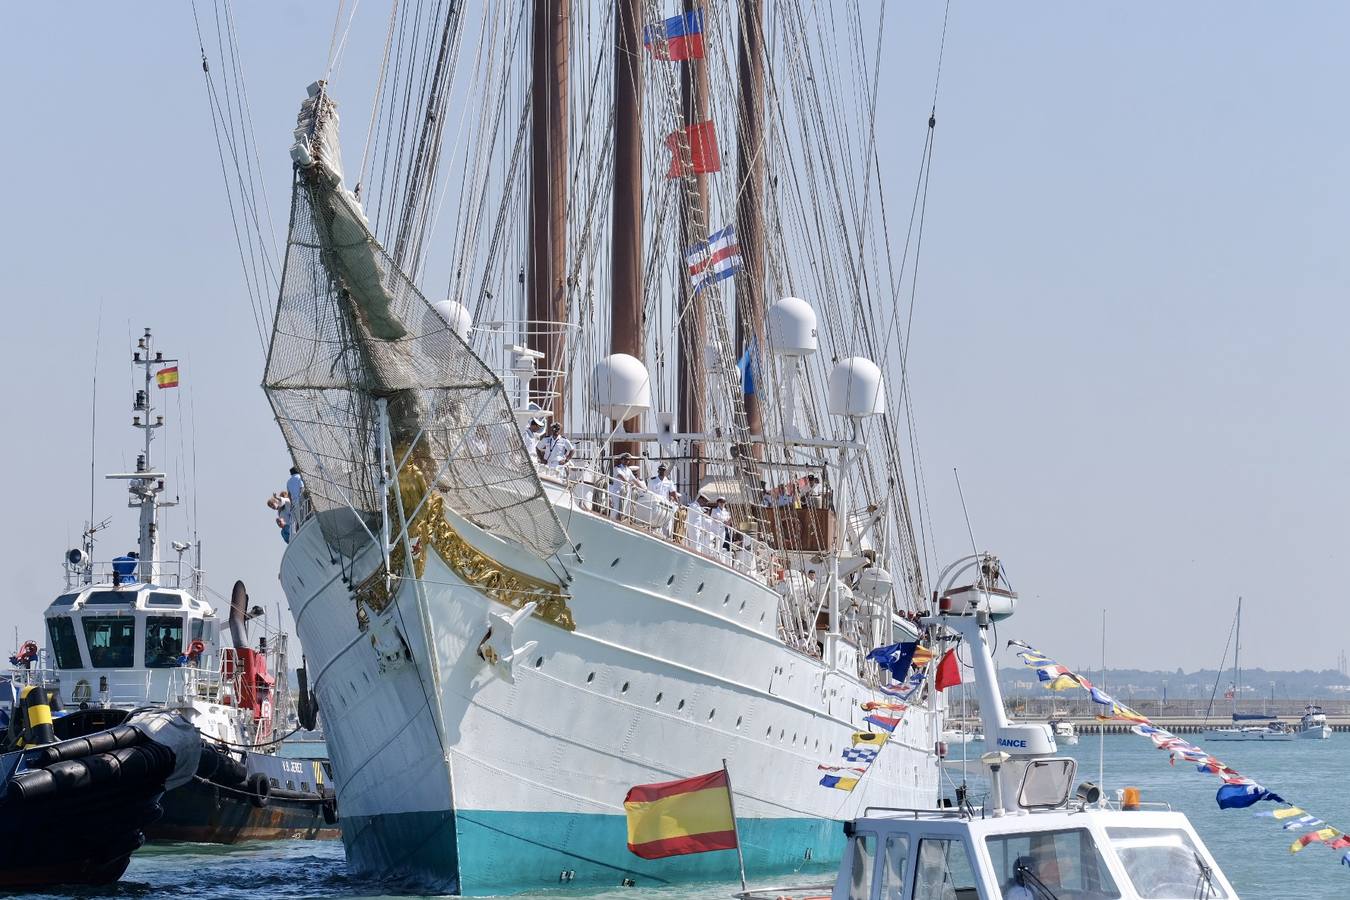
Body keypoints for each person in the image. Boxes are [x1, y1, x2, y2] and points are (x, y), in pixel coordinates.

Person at [608, 453, 636, 519]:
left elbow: (634, 480)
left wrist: (643, 488)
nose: (626, 461)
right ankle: (612, 519)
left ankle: (622, 521)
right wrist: (628, 482)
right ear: (621, 460)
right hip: (618, 491)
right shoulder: (617, 468)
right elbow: (620, 476)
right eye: (625, 459)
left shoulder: (629, 470)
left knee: (625, 508)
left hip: (626, 492)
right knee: (617, 507)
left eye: (628, 460)